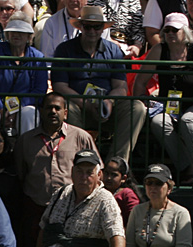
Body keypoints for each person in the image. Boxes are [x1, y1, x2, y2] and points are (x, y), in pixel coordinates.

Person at [14, 93, 98, 247]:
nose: (53, 111)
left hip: (71, 209)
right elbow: (20, 174)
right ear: (41, 111)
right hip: (36, 207)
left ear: (65, 113)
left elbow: (97, 172)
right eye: (49, 108)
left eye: (57, 108)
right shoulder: (26, 141)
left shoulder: (81, 137)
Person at [51, 6, 146, 162]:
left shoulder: (114, 50)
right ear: (81, 27)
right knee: (66, 108)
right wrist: (86, 103)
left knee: (137, 108)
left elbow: (120, 87)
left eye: (97, 27)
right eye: (88, 26)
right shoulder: (64, 49)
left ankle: (115, 163)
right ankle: (85, 161)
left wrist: (108, 101)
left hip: (106, 107)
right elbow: (60, 86)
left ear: (103, 29)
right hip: (77, 105)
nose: (92, 31)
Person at [133, 12, 193, 186]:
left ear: (185, 32)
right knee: (158, 122)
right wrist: (143, 100)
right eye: (167, 30)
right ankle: (186, 167)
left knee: (188, 121)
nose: (170, 33)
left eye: (174, 30)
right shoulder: (159, 50)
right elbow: (141, 80)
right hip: (169, 106)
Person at [0, 18, 47, 139]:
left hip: (24, 105)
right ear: (7, 34)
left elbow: (39, 90)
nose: (16, 35)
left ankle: (26, 153)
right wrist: (1, 108)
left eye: (21, 32)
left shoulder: (38, 57)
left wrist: (16, 109)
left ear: (29, 37)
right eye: (12, 31)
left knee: (29, 114)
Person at [102, 155, 143, 223]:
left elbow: (135, 218)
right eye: (106, 173)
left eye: (114, 175)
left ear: (123, 178)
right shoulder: (99, 191)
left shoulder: (126, 194)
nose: (109, 178)